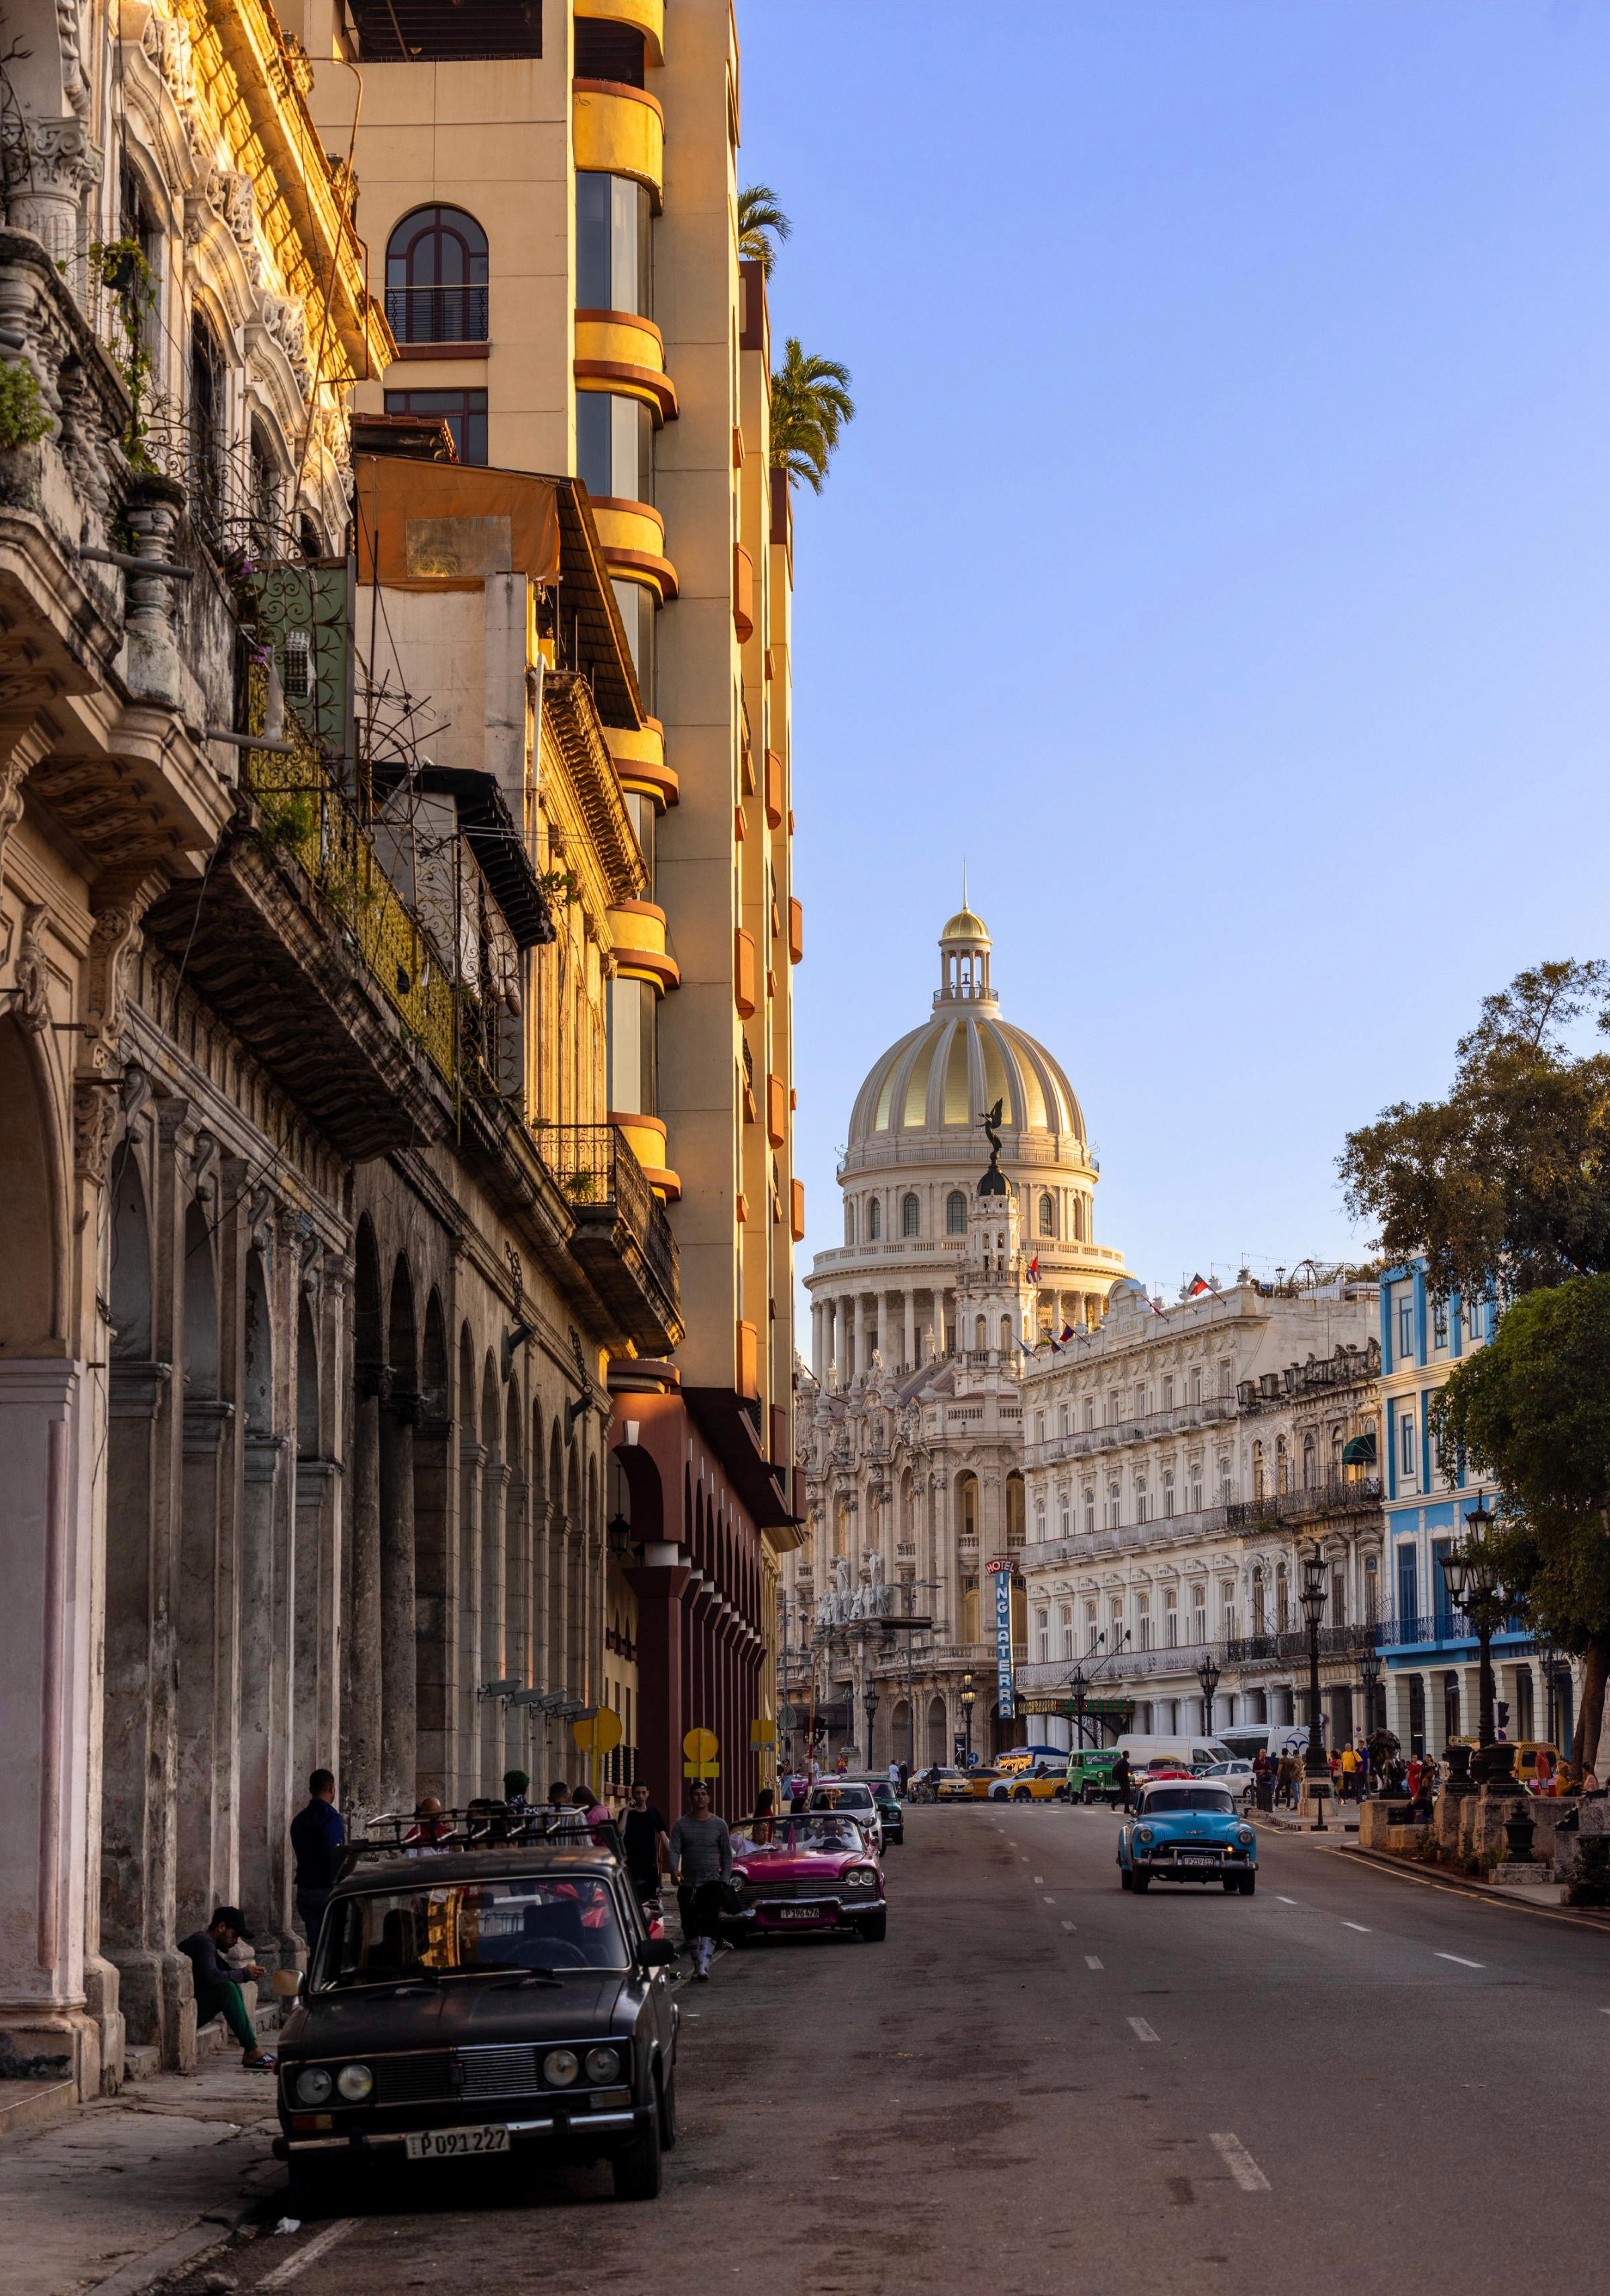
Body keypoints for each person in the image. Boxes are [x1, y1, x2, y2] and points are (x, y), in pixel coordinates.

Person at [178, 1908, 275, 2070]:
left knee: (231, 1986)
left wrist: (245, 1973)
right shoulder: (203, 1941)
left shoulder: (209, 1945)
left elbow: (223, 1974)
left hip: (193, 2010)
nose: (236, 1942)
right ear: (222, 1927)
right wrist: (244, 1973)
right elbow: (212, 1977)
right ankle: (252, 2049)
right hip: (183, 2014)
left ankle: (251, 2049)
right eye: (235, 1935)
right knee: (227, 1989)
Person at [668, 1781, 732, 1981]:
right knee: (689, 1926)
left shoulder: (720, 1825)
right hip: (688, 1884)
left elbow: (726, 1855)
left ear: (709, 1798)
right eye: (696, 1794)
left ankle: (704, 1965)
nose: (700, 1797)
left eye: (704, 1794)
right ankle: (696, 1963)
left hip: (711, 1883)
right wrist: (673, 1870)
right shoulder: (681, 1825)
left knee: (710, 1923)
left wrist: (724, 1879)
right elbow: (674, 1849)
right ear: (690, 1798)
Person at [289, 1768, 345, 1948]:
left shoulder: (299, 1820)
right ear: (331, 1788)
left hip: (305, 1890)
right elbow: (334, 1853)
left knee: (316, 1946)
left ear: (310, 1790)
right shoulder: (331, 1818)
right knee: (332, 1947)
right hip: (325, 1889)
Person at [621, 1781, 670, 1905]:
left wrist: (675, 1856)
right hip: (632, 1865)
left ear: (648, 1794)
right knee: (633, 1902)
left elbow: (664, 1837)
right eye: (638, 1793)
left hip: (649, 1865)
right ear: (633, 1794)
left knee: (651, 1902)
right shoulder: (627, 1813)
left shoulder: (654, 1813)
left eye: (643, 1793)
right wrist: (627, 1811)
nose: (641, 1796)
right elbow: (620, 1832)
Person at [1112, 1750, 1133, 1815]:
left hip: (1122, 1781)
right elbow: (1124, 1773)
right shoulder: (1124, 1763)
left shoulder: (1121, 1762)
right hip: (1124, 1781)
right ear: (1126, 1755)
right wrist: (1126, 1780)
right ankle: (1115, 1804)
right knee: (1127, 1794)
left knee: (1125, 1794)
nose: (1129, 1755)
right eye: (1128, 1754)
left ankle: (1124, 1808)